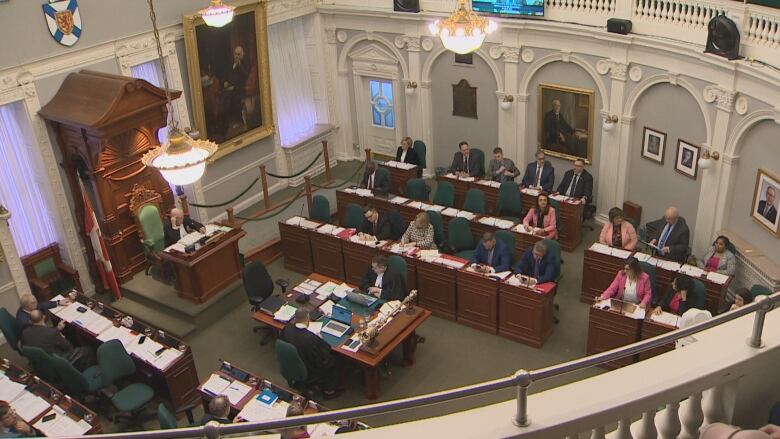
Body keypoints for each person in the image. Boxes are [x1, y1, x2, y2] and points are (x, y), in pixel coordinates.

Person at [279, 309, 342, 399]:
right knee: (335, 360)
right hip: (309, 369)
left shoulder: (286, 329)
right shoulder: (310, 338)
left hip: (291, 363)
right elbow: (324, 355)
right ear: (308, 318)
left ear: (295, 318)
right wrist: (320, 339)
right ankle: (329, 391)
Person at [21, 310, 95, 371]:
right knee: (88, 350)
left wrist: (57, 330)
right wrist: (62, 337)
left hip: (42, 363)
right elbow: (68, 347)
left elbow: (42, 335)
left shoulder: (25, 332)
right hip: (59, 361)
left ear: (30, 320)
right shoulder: (51, 333)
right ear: (43, 317)